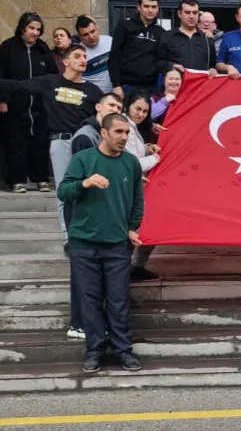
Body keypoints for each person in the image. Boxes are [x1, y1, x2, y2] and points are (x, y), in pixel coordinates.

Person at [0, 44, 105, 240]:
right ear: (65, 61)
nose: (83, 60)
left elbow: (105, 115)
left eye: (85, 57)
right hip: (61, 143)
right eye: (78, 56)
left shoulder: (93, 90)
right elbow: (17, 85)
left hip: (86, 144)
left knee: (89, 190)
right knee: (65, 192)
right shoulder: (50, 81)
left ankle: (91, 234)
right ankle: (69, 238)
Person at [57, 113, 145, 374]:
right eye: (118, 132)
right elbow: (63, 192)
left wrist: (132, 228)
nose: (124, 137)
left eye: (127, 132)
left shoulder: (131, 163)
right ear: (104, 133)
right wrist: (85, 183)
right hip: (83, 244)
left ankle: (123, 350)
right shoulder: (84, 159)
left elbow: (137, 201)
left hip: (117, 244)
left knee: (118, 300)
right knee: (89, 301)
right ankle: (94, 351)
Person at [0, 12, 57, 193]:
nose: (35, 32)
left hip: (39, 106)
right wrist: (2, 99)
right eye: (31, 28)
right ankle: (17, 181)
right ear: (22, 28)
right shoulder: (8, 47)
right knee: (16, 143)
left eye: (38, 29)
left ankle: (41, 179)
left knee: (40, 143)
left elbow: (53, 75)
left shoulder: (42, 49)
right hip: (15, 104)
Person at [123, 91, 162, 282]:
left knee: (147, 227)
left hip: (136, 188)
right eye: (137, 109)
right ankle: (123, 278)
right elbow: (132, 163)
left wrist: (147, 148)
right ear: (127, 106)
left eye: (145, 111)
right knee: (132, 234)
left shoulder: (133, 126)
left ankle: (135, 268)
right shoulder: (124, 127)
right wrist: (154, 158)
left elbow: (133, 153)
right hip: (126, 189)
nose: (141, 114)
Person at [109, 0, 165, 98]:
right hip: (127, 87)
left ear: (158, 8)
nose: (150, 10)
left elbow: (161, 60)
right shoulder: (124, 26)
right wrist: (116, 85)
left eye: (153, 7)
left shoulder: (161, 33)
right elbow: (114, 57)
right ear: (139, 7)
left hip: (151, 88)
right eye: (146, 6)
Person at [155, 0, 217, 77]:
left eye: (195, 13)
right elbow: (158, 62)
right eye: (187, 12)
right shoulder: (167, 37)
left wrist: (213, 70)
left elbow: (212, 64)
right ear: (179, 14)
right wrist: (171, 66)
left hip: (200, 83)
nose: (191, 16)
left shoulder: (207, 39)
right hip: (177, 83)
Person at [75, 15, 115, 93]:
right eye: (85, 34)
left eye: (92, 31)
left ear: (97, 28)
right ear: (80, 36)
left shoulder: (109, 41)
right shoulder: (77, 53)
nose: (91, 36)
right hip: (94, 96)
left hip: (116, 93)